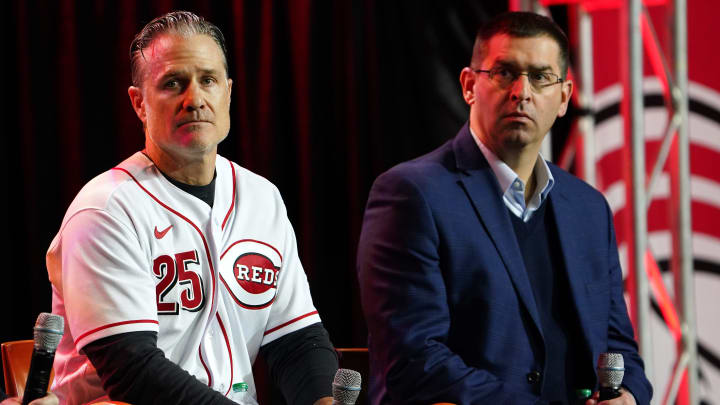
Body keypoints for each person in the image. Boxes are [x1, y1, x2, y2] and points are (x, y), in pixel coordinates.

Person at [357, 11, 652, 405]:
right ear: (468, 86)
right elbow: (415, 359)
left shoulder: (588, 208)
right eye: (504, 73)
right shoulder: (412, 194)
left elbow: (617, 344)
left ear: (564, 97)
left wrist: (629, 394)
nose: (522, 92)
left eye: (541, 76)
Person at [46, 11, 337, 405]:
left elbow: (296, 339)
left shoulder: (261, 198)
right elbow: (131, 369)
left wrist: (322, 400)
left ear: (228, 93)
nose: (195, 99)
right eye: (173, 83)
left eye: (208, 80)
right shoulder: (105, 209)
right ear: (139, 104)